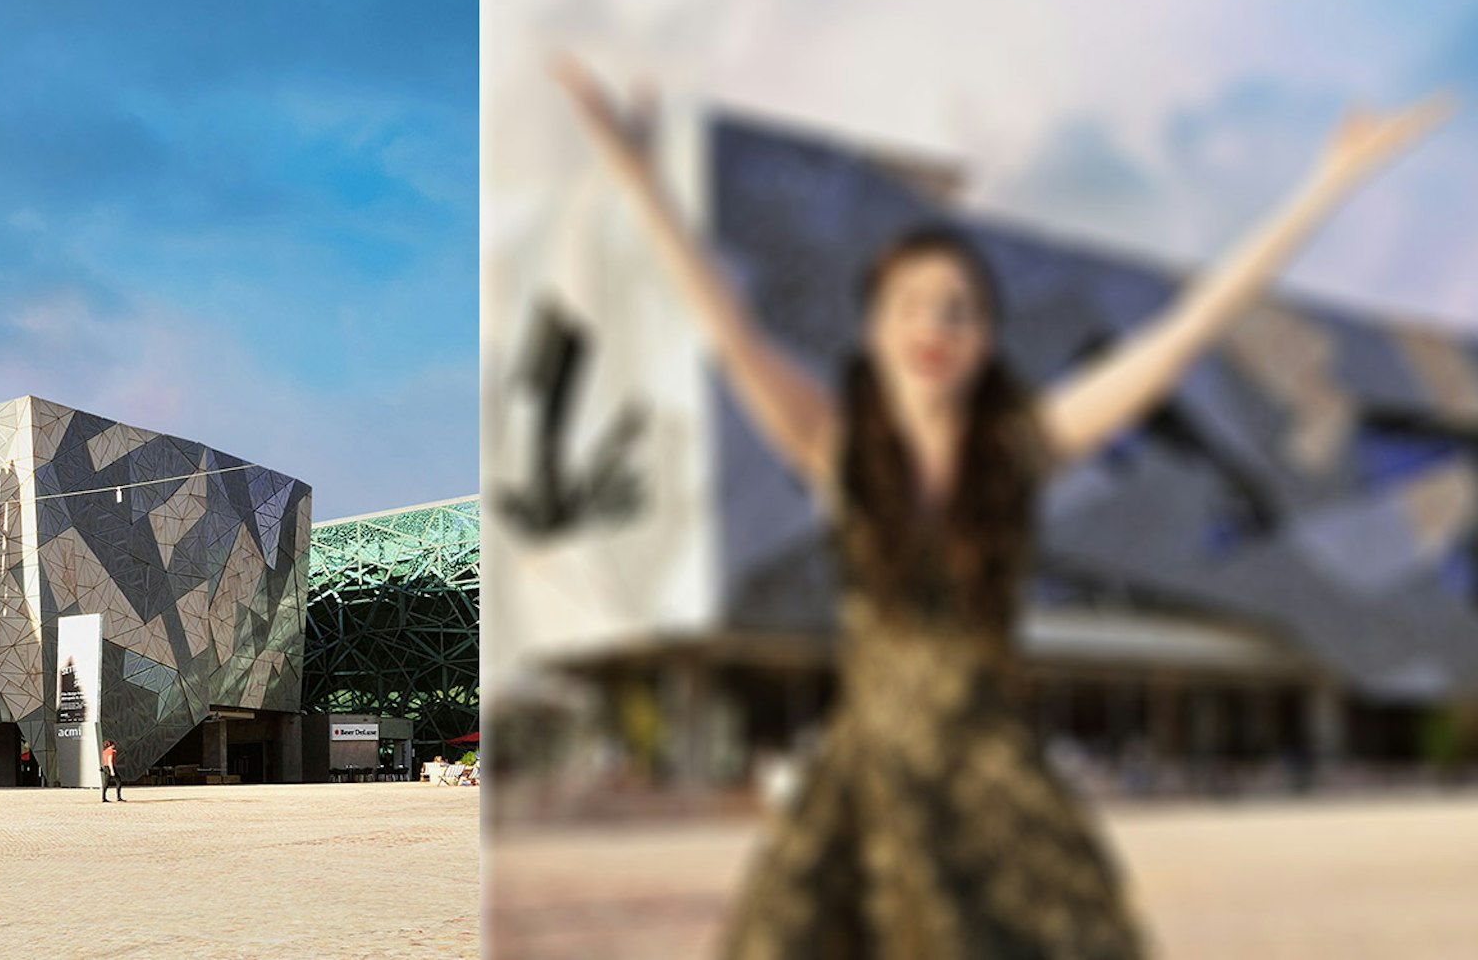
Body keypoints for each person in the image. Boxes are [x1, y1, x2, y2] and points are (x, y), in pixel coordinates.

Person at [553, 55, 1447, 958]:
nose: (936, 328)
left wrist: (1327, 183)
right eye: (914, 307)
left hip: (996, 780)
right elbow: (725, 324)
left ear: (985, 336)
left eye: (960, 310)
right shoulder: (833, 442)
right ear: (876, 329)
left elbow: (1185, 335)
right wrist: (638, 176)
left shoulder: (1022, 447)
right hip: (871, 778)